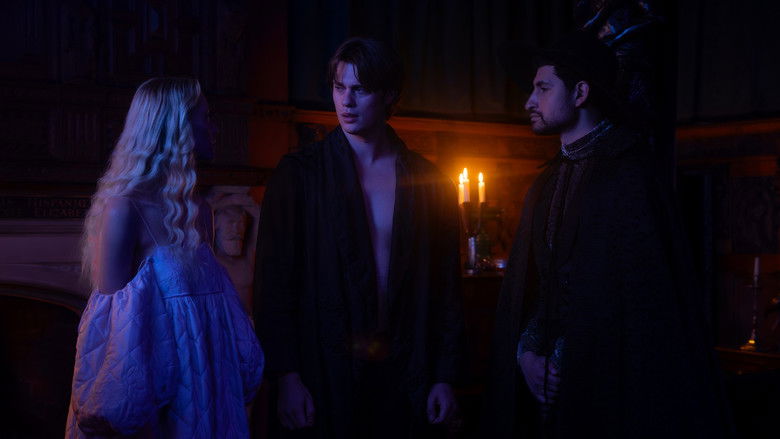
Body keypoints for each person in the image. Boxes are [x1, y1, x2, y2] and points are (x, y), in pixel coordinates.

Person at [483, 32, 731, 438]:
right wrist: (527, 353)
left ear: (580, 93)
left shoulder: (629, 176)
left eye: (543, 88)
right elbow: (537, 288)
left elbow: (640, 302)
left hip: (609, 387)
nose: (529, 102)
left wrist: (563, 359)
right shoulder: (547, 183)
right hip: (546, 388)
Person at [255, 37, 465, 438]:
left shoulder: (429, 180)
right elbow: (274, 285)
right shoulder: (299, 174)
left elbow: (446, 287)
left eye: (361, 89)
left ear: (389, 95)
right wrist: (286, 376)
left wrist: (445, 376)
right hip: (323, 369)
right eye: (339, 87)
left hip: (405, 367)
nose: (346, 102)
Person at [66, 77, 264, 438]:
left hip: (208, 385)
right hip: (157, 398)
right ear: (178, 127)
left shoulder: (200, 211)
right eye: (206, 118)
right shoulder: (125, 208)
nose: (215, 128)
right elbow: (108, 330)